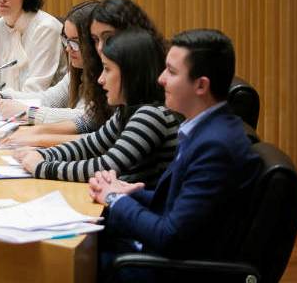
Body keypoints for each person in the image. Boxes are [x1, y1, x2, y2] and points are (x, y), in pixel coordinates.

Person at [88, 29, 261, 282]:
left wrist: (115, 199)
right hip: (162, 255)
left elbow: (171, 236)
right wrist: (129, 191)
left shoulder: (216, 146)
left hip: (170, 270)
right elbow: (182, 202)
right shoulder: (203, 128)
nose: (160, 79)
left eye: (171, 71)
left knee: (71, 262)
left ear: (201, 85)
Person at [16, 29, 180, 187]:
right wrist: (44, 154)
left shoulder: (151, 114)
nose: (101, 79)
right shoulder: (126, 110)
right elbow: (90, 145)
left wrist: (41, 167)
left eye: (107, 69)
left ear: (131, 74)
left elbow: (106, 166)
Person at [3, 0, 165, 147]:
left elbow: (99, 140)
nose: (101, 47)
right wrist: (4, 98)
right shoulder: (89, 70)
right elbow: (89, 126)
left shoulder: (144, 104)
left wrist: (35, 132)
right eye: (96, 40)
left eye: (75, 42)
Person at [0, 0, 98, 127]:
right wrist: (2, 96)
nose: (68, 48)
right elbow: (49, 99)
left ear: (95, 42)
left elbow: (86, 119)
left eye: (75, 42)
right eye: (66, 40)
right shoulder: (78, 72)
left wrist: (29, 113)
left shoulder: (107, 75)